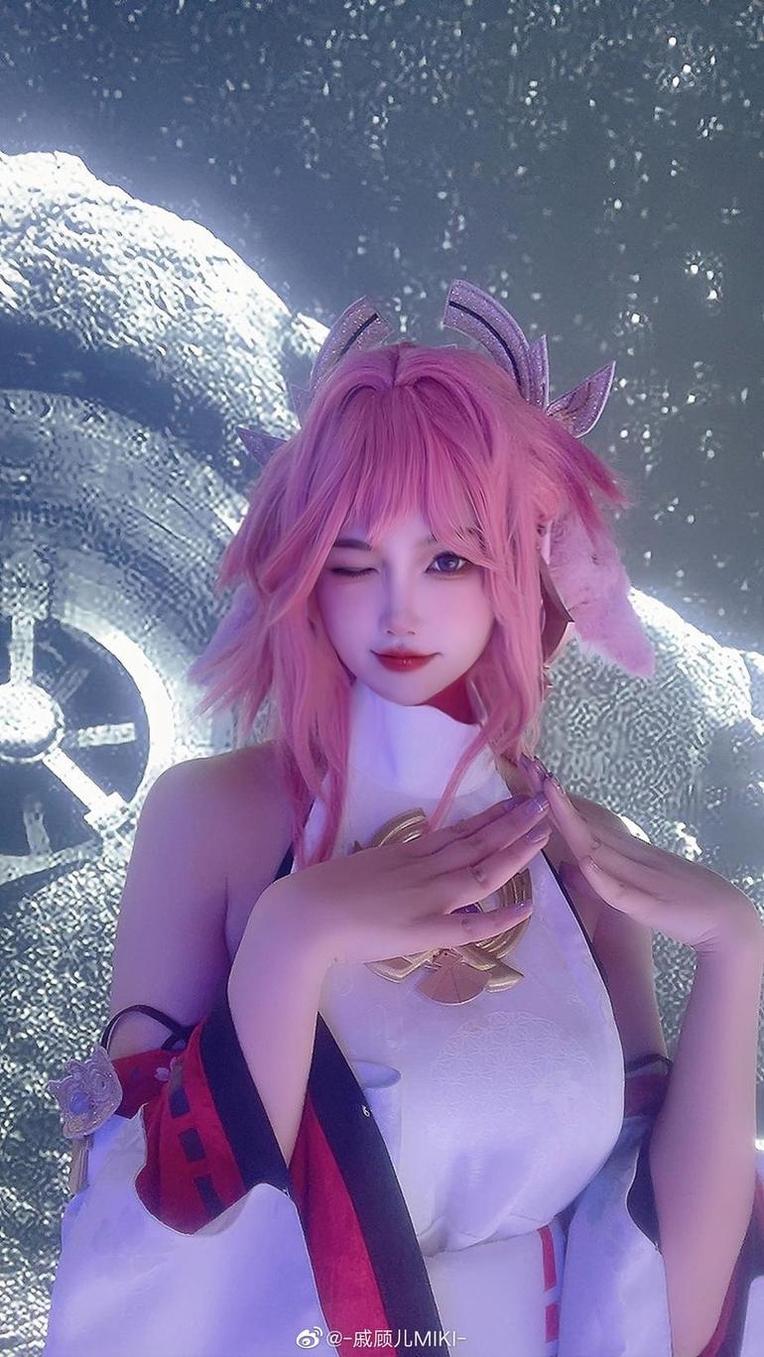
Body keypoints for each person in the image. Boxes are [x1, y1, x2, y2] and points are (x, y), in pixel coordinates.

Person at [43, 285, 763, 1355]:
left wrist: (736, 951)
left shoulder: (579, 855)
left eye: (448, 559)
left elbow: (662, 1295)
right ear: (301, 572)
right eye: (350, 563)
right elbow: (137, 1239)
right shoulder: (210, 819)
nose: (397, 610)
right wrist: (293, 937)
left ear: (526, 567)